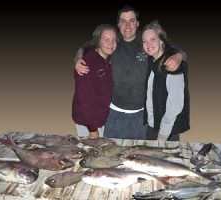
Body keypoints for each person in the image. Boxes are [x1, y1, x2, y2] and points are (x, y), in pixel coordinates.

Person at [74, 5, 185, 140]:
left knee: (136, 155)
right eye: (123, 21)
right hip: (113, 114)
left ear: (137, 23)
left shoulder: (146, 42)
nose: (127, 25)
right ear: (118, 24)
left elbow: (174, 48)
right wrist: (78, 59)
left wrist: (178, 57)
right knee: (111, 153)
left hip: (140, 115)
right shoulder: (112, 42)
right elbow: (86, 47)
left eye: (132, 20)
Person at [142, 20, 190, 141]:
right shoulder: (151, 60)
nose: (148, 44)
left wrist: (162, 136)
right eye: (145, 41)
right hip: (153, 125)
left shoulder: (172, 65)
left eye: (152, 39)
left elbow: (174, 107)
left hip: (167, 132)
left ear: (161, 40)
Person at [72, 24, 118, 138]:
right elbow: (83, 99)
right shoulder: (87, 63)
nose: (111, 44)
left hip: (102, 119)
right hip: (87, 123)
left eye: (113, 40)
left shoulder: (109, 59)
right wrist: (92, 130)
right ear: (98, 41)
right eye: (106, 39)